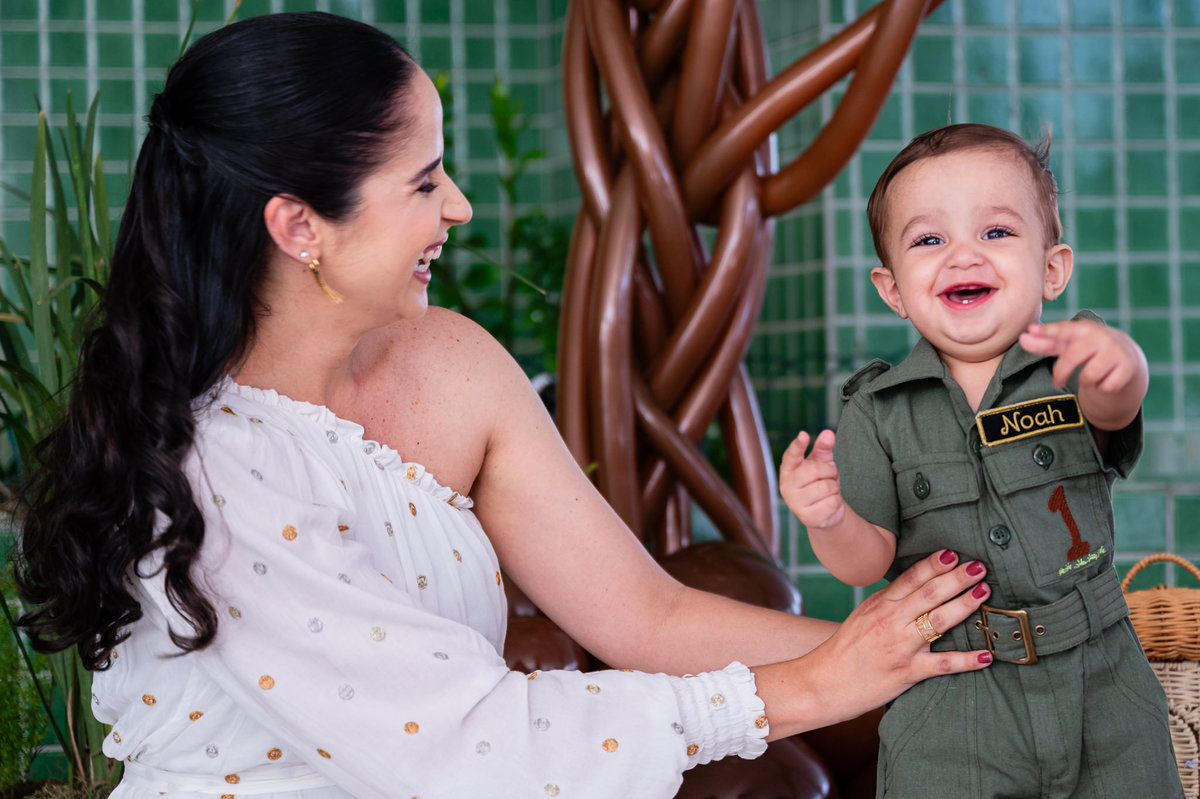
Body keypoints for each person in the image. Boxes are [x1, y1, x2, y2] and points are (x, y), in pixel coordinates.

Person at [14, 14, 995, 799]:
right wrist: (816, 687)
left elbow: (647, 616)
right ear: (300, 224)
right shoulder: (207, 474)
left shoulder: (455, 364)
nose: (459, 207)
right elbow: (468, 741)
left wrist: (941, 649)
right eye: (424, 180)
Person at [780, 123, 1183, 797]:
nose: (963, 254)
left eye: (996, 233)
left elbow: (1114, 406)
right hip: (954, 699)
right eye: (930, 239)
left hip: (1103, 680)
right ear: (894, 289)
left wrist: (1126, 363)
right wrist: (826, 517)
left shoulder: (1074, 364)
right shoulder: (874, 411)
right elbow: (865, 560)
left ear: (1051, 267)